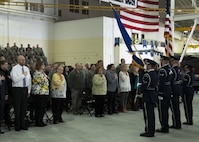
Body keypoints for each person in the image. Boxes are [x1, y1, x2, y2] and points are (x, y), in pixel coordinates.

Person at [10, 55, 31, 131]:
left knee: (24, 108)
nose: (23, 61)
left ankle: (23, 124)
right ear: (18, 60)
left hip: (25, 89)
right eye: (21, 60)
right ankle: (17, 125)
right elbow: (15, 79)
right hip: (17, 89)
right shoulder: (14, 69)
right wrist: (23, 75)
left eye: (24, 59)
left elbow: (29, 80)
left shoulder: (26, 68)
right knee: (17, 108)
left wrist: (29, 90)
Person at [140, 59, 158, 137]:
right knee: (151, 114)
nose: (146, 66)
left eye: (147, 65)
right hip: (153, 94)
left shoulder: (147, 75)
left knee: (147, 115)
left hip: (147, 95)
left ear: (150, 66)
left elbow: (144, 86)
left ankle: (149, 131)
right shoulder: (155, 74)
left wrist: (140, 88)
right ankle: (152, 129)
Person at [156, 55, 173, 133]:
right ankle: (166, 125)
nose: (161, 62)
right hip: (169, 91)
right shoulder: (170, 69)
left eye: (161, 60)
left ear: (164, 61)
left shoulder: (162, 70)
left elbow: (161, 83)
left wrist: (160, 93)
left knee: (162, 111)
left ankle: (164, 127)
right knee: (166, 110)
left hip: (163, 92)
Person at [32, 60, 49, 127]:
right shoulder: (37, 73)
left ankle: (41, 120)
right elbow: (40, 81)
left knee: (43, 108)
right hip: (39, 93)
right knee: (39, 108)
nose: (44, 66)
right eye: (43, 65)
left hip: (45, 92)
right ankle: (38, 121)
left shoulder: (43, 73)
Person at [169, 56, 182, 129]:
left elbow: (171, 81)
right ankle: (177, 122)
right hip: (178, 90)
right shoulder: (179, 70)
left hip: (173, 91)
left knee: (174, 108)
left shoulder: (173, 70)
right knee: (177, 108)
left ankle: (176, 124)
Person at [0, 60, 12, 129]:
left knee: (7, 109)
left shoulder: (7, 72)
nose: (7, 66)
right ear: (2, 65)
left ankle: (7, 122)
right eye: (6, 64)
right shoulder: (1, 73)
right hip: (2, 94)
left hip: (7, 93)